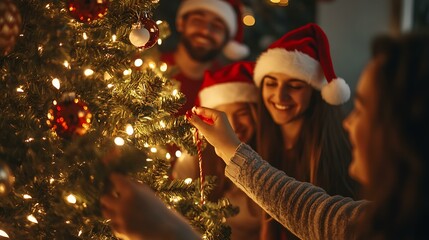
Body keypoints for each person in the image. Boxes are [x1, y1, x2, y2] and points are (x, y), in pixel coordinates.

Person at [250, 23, 358, 239]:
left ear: (316, 93)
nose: (280, 97)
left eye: (295, 86)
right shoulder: (253, 142)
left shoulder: (344, 151)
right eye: (271, 84)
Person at [173, 61, 262, 240]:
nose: (233, 125)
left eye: (242, 113)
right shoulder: (195, 154)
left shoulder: (268, 156)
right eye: (223, 115)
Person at [161, 0, 249, 115]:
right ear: (181, 23)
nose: (206, 30)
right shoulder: (143, 68)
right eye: (198, 21)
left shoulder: (227, 87)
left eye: (217, 26)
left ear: (226, 39)